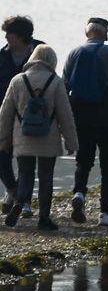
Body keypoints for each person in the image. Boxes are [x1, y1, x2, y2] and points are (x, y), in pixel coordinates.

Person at [63, 17, 108, 226]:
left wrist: (63, 120)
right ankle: (104, 211)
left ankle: (79, 194)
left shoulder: (74, 52)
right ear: (104, 34)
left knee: (83, 159)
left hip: (80, 114)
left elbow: (64, 86)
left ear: (87, 33)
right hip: (106, 115)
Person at [0, 44, 78, 231]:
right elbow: (65, 115)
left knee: (25, 174)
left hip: (22, 137)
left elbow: (5, 113)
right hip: (48, 138)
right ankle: (44, 219)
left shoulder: (17, 80)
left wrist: (3, 138)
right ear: (52, 61)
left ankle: (19, 202)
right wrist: (71, 141)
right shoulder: (55, 81)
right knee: (46, 177)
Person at [0, 16, 43, 211]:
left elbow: (51, 81)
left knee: (26, 159)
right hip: (5, 114)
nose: (6, 37)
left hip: (33, 114)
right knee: (2, 156)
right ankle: (13, 190)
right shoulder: (2, 55)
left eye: (10, 34)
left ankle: (24, 201)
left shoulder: (40, 52)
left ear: (21, 36)